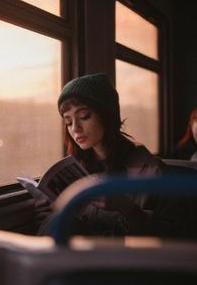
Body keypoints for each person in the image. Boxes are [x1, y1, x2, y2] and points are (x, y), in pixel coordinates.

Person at [35, 73, 190, 238]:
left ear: (107, 116)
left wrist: (128, 209)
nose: (75, 128)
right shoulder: (77, 169)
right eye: (68, 122)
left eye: (83, 116)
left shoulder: (153, 171)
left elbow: (174, 237)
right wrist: (58, 209)